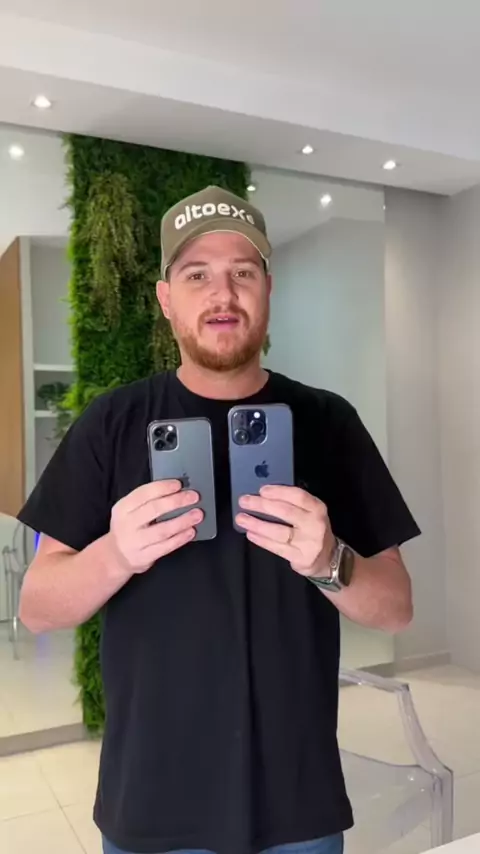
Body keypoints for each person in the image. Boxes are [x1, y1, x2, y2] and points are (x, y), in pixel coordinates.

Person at [18, 185, 420, 854]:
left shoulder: (329, 423)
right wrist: (116, 554)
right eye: (197, 275)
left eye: (243, 273)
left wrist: (331, 561)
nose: (223, 294)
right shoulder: (112, 423)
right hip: (153, 803)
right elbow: (37, 607)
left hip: (298, 803)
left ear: (268, 290)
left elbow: (397, 607)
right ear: (165, 298)